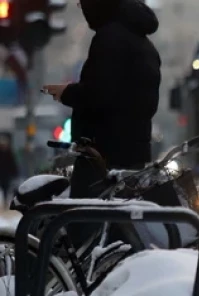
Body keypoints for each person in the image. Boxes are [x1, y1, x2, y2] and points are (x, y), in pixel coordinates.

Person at [42, 0, 161, 199]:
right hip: (132, 152)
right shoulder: (142, 42)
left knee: (84, 220)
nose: (82, 9)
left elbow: (99, 94)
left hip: (102, 153)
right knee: (119, 219)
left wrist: (66, 92)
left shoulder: (110, 38)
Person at [0, 133, 19, 204]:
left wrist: (15, 172)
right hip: (2, 173)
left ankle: (5, 200)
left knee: (6, 188)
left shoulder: (9, 153)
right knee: (4, 187)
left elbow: (12, 164)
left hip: (6, 174)